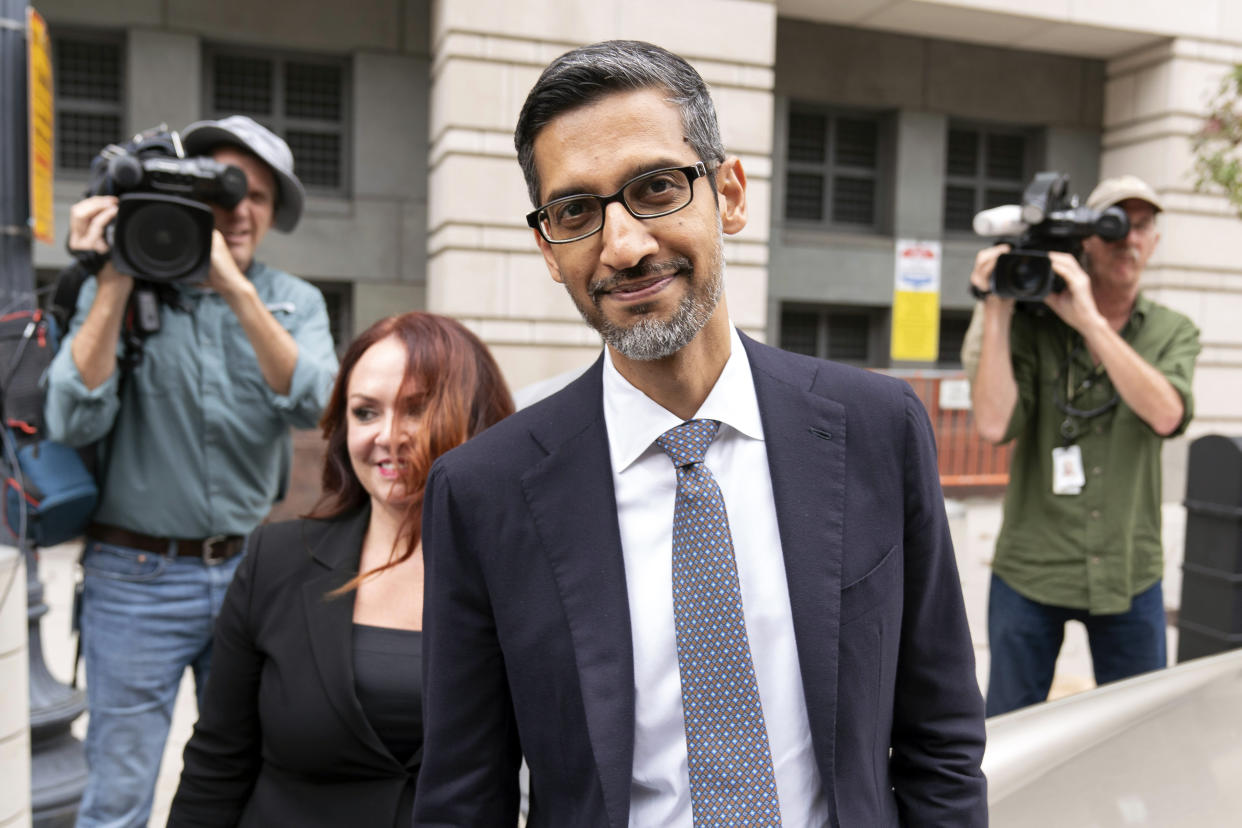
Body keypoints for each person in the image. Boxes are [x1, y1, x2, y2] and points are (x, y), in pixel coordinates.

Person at [414, 40, 987, 826]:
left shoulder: (877, 431)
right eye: (576, 211)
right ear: (548, 248)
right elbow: (462, 794)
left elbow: (941, 738)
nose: (623, 245)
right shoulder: (483, 491)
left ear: (731, 193)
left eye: (655, 188)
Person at [44, 115, 339, 827]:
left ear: (273, 214)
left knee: (254, 773)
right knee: (119, 792)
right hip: (132, 580)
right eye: (221, 188)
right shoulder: (125, 280)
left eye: (259, 197)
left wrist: (235, 289)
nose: (239, 210)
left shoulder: (293, 300)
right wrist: (114, 273)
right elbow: (69, 416)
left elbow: (319, 404)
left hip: (251, 574)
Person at [166, 312, 514, 827]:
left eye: (417, 409)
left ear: (477, 418)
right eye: (366, 412)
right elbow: (217, 762)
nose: (389, 436)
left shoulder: (523, 573)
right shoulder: (276, 559)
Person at [966, 174, 1201, 717]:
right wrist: (997, 306)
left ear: (1156, 241)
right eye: (1114, 227)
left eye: (1142, 227)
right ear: (1084, 242)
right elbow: (995, 425)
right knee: (1011, 728)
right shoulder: (1032, 322)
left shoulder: (1172, 330)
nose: (1130, 240)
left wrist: (1089, 322)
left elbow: (1167, 414)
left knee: (1137, 730)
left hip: (1128, 569)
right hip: (1032, 567)